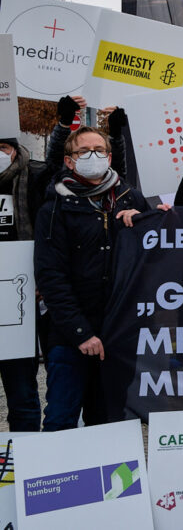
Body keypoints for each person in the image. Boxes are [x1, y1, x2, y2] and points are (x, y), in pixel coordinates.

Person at [35, 126, 149, 431]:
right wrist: (81, 332)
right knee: (61, 419)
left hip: (117, 335)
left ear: (110, 157)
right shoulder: (55, 206)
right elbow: (50, 275)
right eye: (83, 151)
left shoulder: (130, 198)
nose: (93, 156)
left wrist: (153, 220)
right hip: (69, 336)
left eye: (99, 150)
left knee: (109, 422)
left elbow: (154, 257)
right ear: (70, 161)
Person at [0, 137, 49, 432]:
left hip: (18, 300)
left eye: (2, 148)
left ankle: (26, 451)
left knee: (21, 390)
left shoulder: (36, 176)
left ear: (15, 150)